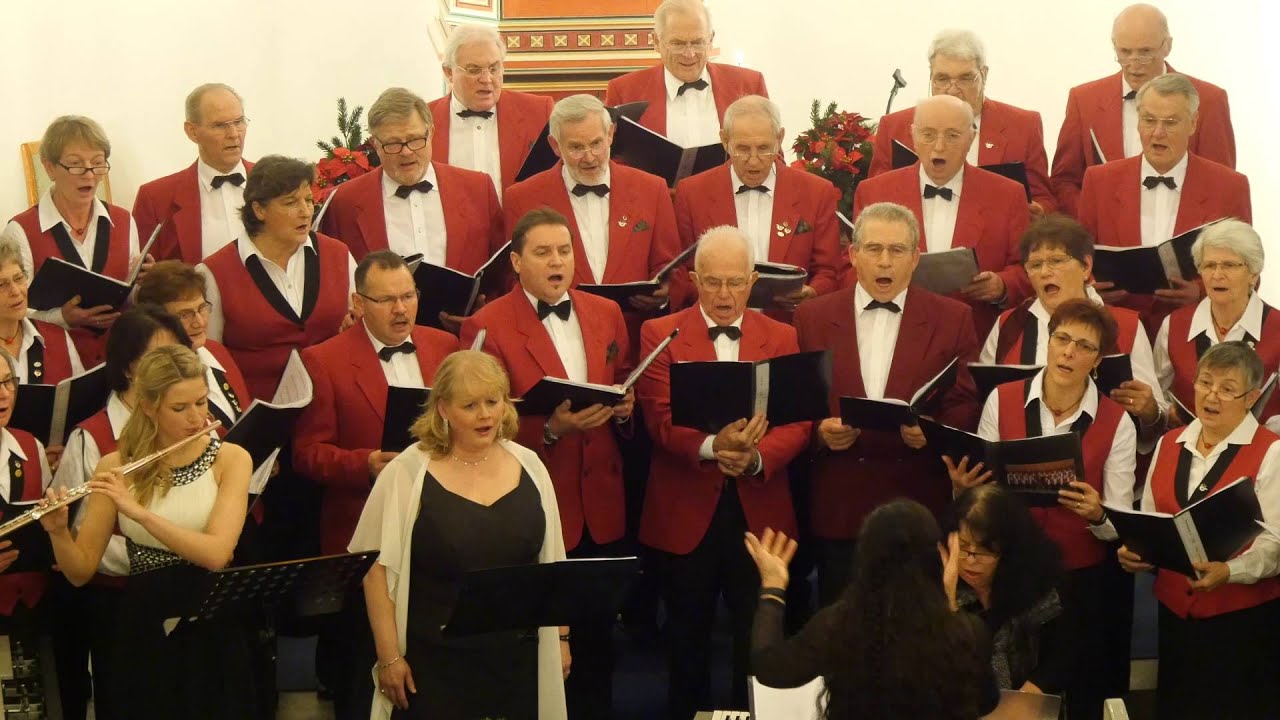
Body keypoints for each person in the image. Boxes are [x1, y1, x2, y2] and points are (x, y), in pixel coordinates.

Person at [461, 208, 633, 718]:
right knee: (536, 647)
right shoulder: (487, 325)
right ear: (516, 262)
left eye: (564, 251)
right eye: (542, 253)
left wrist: (626, 408)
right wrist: (551, 431)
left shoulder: (606, 313)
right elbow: (475, 424)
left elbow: (623, 378)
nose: (557, 262)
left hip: (601, 503)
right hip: (533, 501)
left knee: (598, 645)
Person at [635, 225, 810, 719]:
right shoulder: (660, 333)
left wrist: (754, 458)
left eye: (735, 282)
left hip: (760, 513)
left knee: (755, 643)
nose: (725, 294)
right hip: (684, 514)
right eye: (713, 282)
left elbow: (798, 422)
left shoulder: (783, 335)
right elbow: (659, 419)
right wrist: (715, 447)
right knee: (686, 643)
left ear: (753, 281)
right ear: (694, 280)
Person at [39, 344, 259, 719]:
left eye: (201, 402)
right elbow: (80, 572)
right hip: (144, 621)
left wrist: (139, 514)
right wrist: (59, 532)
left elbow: (217, 553)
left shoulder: (231, 459)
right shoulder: (115, 466)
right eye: (180, 408)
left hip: (211, 617)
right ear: (148, 407)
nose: (197, 417)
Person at [348, 350, 569, 720]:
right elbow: (375, 571)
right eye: (470, 405)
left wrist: (561, 638)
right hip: (434, 664)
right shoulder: (406, 472)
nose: (485, 415)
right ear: (443, 409)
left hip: (516, 658)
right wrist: (389, 658)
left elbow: (553, 563)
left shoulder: (530, 465)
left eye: (492, 402)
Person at [950, 298, 1135, 720]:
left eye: (1084, 346)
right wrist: (964, 490)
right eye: (1062, 339)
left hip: (1079, 574)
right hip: (1011, 571)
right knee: (1010, 687)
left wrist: (1098, 514)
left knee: (1078, 686)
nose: (1069, 352)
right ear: (1048, 342)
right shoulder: (1003, 399)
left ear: (1098, 361)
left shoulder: (1116, 420)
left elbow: (1119, 523)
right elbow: (984, 492)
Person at [293, 250, 457, 720]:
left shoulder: (445, 345)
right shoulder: (322, 359)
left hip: (440, 529)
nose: (401, 309)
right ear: (358, 303)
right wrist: (364, 465)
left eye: (408, 296)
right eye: (386, 300)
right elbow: (307, 452)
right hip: (364, 532)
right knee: (361, 667)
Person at [796, 202, 980, 602]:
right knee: (841, 623)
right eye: (874, 249)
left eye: (897, 250)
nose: (884, 261)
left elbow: (965, 402)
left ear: (915, 258)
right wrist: (819, 432)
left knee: (918, 626)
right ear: (852, 254)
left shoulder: (953, 317)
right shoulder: (811, 317)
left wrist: (934, 434)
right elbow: (795, 403)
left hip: (919, 503)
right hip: (840, 503)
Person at [1118, 341, 1280, 719]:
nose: (1211, 395)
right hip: (1175, 615)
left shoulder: (1272, 452)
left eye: (1227, 388)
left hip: (1241, 619)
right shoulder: (1169, 443)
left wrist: (1230, 571)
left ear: (1251, 397)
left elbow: (1276, 541)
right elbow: (1152, 518)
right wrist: (1138, 550)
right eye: (1205, 382)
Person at [49, 304, 189, 720]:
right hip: (120, 602)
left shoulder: (191, 423)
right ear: (129, 368)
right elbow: (81, 534)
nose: (173, 370)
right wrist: (162, 553)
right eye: (159, 359)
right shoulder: (91, 437)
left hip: (185, 591)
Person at [745, 501, 998, 719]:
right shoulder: (968, 631)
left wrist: (773, 588)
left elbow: (769, 668)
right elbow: (986, 702)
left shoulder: (839, 624)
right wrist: (949, 603)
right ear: (934, 560)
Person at [503, 93, 680, 355]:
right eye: (576, 148)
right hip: (557, 343)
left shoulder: (652, 189)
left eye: (596, 143)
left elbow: (670, 265)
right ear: (555, 146)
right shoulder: (522, 197)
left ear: (611, 134)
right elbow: (513, 278)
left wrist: (664, 293)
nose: (589, 157)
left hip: (635, 343)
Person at [1077, 73, 1251, 336]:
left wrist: (1202, 291)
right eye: (1149, 120)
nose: (1157, 133)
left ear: (1193, 123)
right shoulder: (1098, 181)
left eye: (1170, 122)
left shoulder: (1229, 186)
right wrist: (1091, 286)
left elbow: (1249, 270)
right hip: (1118, 328)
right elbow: (1079, 259)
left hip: (1195, 329)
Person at [842, 95, 1030, 337]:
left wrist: (1002, 285)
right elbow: (850, 265)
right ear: (913, 136)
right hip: (893, 333)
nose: (939, 146)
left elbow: (1027, 268)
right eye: (928, 135)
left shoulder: (1008, 194)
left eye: (952, 136)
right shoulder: (875, 191)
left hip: (977, 334)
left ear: (971, 138)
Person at [322, 86, 505, 303]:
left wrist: (481, 311)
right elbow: (335, 281)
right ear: (375, 144)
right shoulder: (344, 202)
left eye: (415, 139)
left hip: (466, 323)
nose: (407, 151)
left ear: (431, 133)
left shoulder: (478, 189)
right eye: (393, 144)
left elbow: (502, 272)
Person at [981, 215, 1165, 429]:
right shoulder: (1008, 324)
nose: (1045, 272)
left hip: (1102, 445)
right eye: (1035, 265)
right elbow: (986, 402)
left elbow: (1155, 414)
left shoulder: (1126, 326)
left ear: (1086, 266)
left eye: (1056, 261)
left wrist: (1150, 412)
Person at [1051, 3, 1236, 215]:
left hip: (1185, 231)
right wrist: (1095, 218)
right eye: (1125, 52)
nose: (1134, 63)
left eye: (1145, 52)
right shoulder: (1084, 100)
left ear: (1167, 46)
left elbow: (1221, 185)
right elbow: (1064, 181)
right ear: (1114, 45)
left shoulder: (1209, 100)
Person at [196, 154, 355, 401]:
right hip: (259, 410)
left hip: (335, 402)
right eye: (290, 203)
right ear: (259, 209)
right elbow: (209, 358)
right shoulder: (214, 272)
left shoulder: (339, 254)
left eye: (308, 200)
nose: (305, 212)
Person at [673, 95, 841, 319]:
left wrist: (812, 292)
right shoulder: (692, 193)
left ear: (780, 138)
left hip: (789, 326)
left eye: (764, 148)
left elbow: (829, 271)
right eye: (742, 149)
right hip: (714, 326)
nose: (753, 160)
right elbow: (681, 272)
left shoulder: (816, 192)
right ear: (724, 140)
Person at [2, 115, 147, 367]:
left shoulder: (123, 220)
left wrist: (144, 283)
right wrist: (62, 317)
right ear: (49, 168)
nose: (89, 175)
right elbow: (12, 309)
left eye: (98, 164)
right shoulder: (21, 229)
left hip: (122, 357)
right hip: (55, 362)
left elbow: (129, 297)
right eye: (76, 165)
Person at [867, 29, 1056, 214]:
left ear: (984, 75)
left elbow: (1045, 200)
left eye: (965, 79)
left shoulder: (1023, 126)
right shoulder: (894, 127)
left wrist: (1035, 211)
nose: (952, 90)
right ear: (931, 76)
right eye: (942, 79)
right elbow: (873, 198)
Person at [947, 484, 1072, 695]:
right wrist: (948, 600)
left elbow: (1062, 656)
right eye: (963, 546)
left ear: (1009, 550)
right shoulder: (939, 584)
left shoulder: (1039, 583)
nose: (970, 561)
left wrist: (1025, 697)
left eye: (985, 550)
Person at [1154, 219, 1280, 426]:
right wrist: (1169, 415)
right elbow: (1158, 393)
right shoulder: (1175, 325)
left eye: (1229, 265)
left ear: (1253, 274)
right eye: (1209, 265)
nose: (1217, 275)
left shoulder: (1276, 327)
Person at [605, 0, 768, 149]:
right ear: (656, 42)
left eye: (698, 42)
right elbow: (612, 160)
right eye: (678, 44)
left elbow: (772, 156)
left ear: (710, 40)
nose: (689, 54)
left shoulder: (749, 84)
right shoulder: (624, 91)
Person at [133, 83, 254, 264]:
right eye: (220, 125)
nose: (234, 134)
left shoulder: (278, 184)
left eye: (238, 122)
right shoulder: (155, 198)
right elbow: (143, 274)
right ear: (192, 131)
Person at [427, 25, 554, 193]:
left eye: (494, 69)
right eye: (474, 70)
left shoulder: (538, 112)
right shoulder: (424, 120)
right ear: (449, 72)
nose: (487, 79)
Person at [135, 260, 253, 430]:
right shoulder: (156, 375)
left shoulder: (216, 351)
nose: (199, 322)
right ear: (156, 320)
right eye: (185, 315)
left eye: (202, 308)